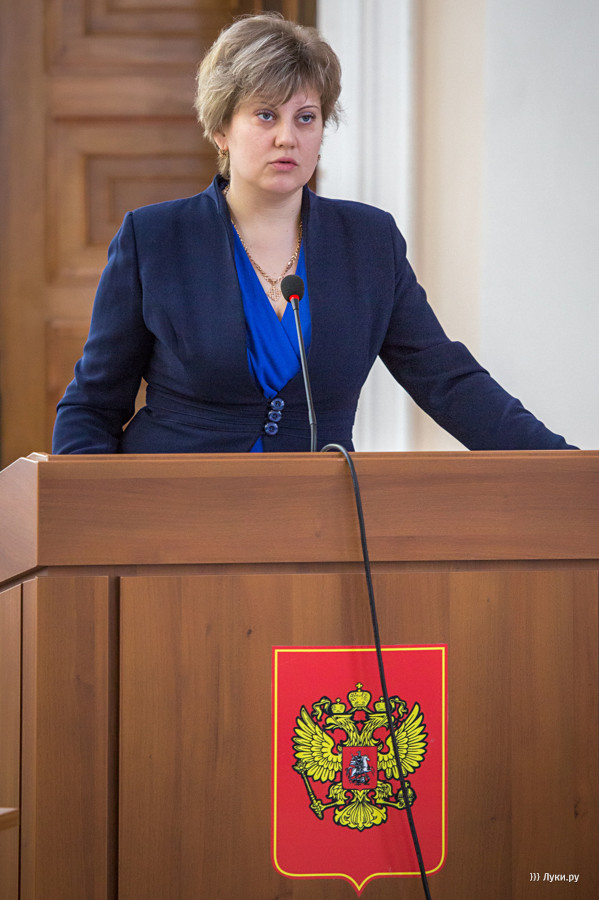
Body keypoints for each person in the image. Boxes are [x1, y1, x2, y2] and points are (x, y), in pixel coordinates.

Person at [52, 13, 575, 454]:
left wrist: (566, 469)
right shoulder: (154, 238)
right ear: (221, 129)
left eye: (306, 118)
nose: (288, 137)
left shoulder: (369, 241)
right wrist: (83, 520)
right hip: (172, 513)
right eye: (265, 115)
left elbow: (446, 380)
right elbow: (93, 404)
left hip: (321, 516)